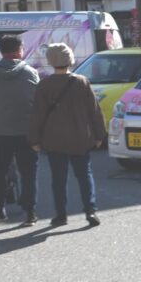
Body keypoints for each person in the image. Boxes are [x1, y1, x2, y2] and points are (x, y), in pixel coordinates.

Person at [29, 43, 107, 227]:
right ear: (70, 58)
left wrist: (34, 139)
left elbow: (37, 115)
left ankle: (61, 215)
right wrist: (99, 135)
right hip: (80, 137)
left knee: (58, 178)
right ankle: (90, 211)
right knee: (84, 175)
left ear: (50, 61)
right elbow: (94, 111)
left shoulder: (44, 85)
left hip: (54, 140)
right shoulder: (81, 81)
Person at [0, 35, 39, 225]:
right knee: (28, 172)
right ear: (20, 50)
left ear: (1, 51)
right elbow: (38, 104)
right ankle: (30, 212)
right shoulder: (30, 72)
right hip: (26, 131)